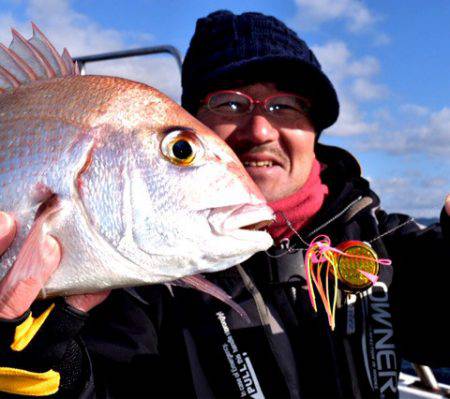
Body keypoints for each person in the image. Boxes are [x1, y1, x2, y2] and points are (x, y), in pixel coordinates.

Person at [0, 10, 449, 398]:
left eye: (287, 106)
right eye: (229, 103)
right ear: (197, 119)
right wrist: (47, 364)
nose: (259, 131)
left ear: (316, 128)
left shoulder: (385, 239)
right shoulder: (134, 282)